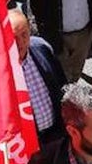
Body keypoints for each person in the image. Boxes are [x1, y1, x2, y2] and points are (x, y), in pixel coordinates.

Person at [9, 9, 66, 144]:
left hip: (57, 131)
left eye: (24, 34)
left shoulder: (41, 47)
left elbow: (62, 83)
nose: (20, 42)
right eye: (13, 38)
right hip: (25, 143)